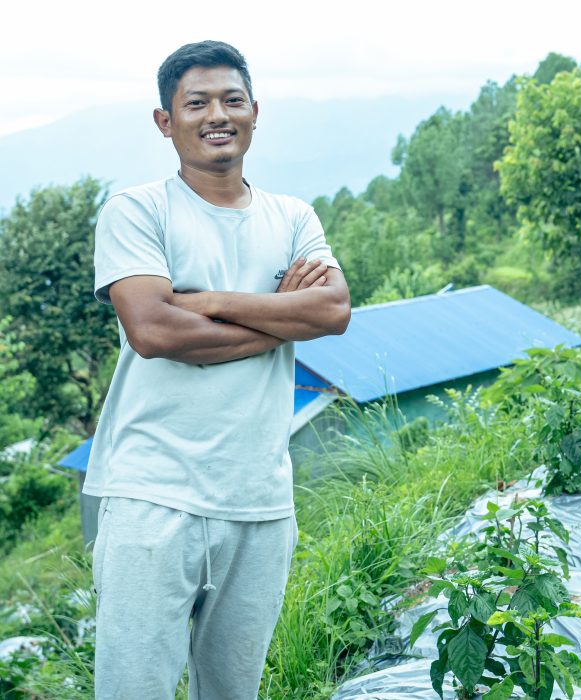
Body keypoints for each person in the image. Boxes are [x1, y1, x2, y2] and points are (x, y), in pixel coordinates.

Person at [86, 40, 350, 699]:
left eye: (232, 100)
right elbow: (152, 330)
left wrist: (208, 302)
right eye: (196, 102)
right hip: (154, 496)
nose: (217, 115)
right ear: (164, 120)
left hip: (260, 500)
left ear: (255, 111)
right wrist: (279, 311)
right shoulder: (137, 211)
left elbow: (334, 311)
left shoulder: (293, 217)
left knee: (235, 692)